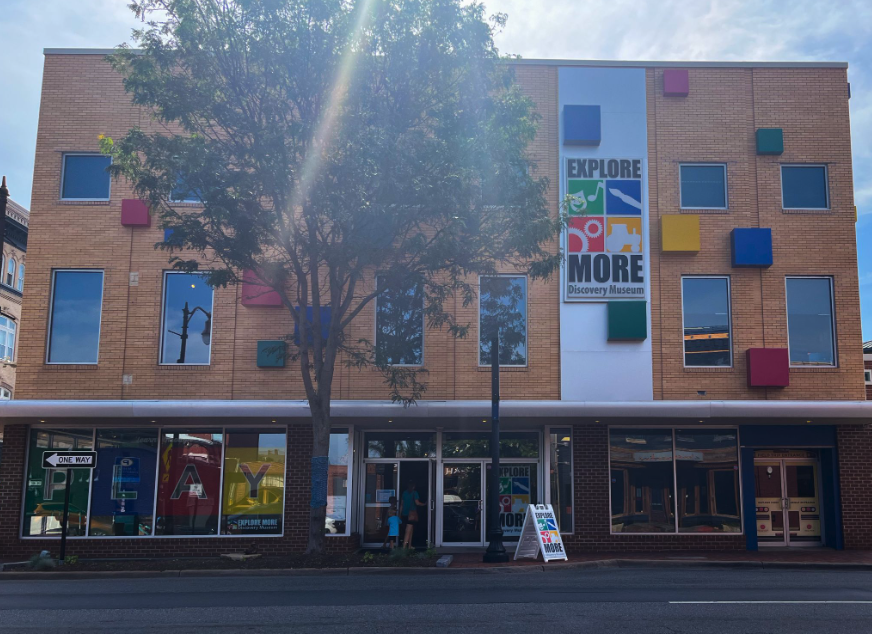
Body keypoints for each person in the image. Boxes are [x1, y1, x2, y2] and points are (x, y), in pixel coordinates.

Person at [400, 480, 426, 549]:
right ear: (414, 486)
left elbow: (401, 504)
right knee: (408, 530)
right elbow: (417, 503)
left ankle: (409, 546)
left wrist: (400, 514)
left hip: (404, 513)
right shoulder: (415, 493)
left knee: (411, 529)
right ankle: (404, 547)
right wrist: (424, 504)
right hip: (411, 514)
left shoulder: (404, 493)